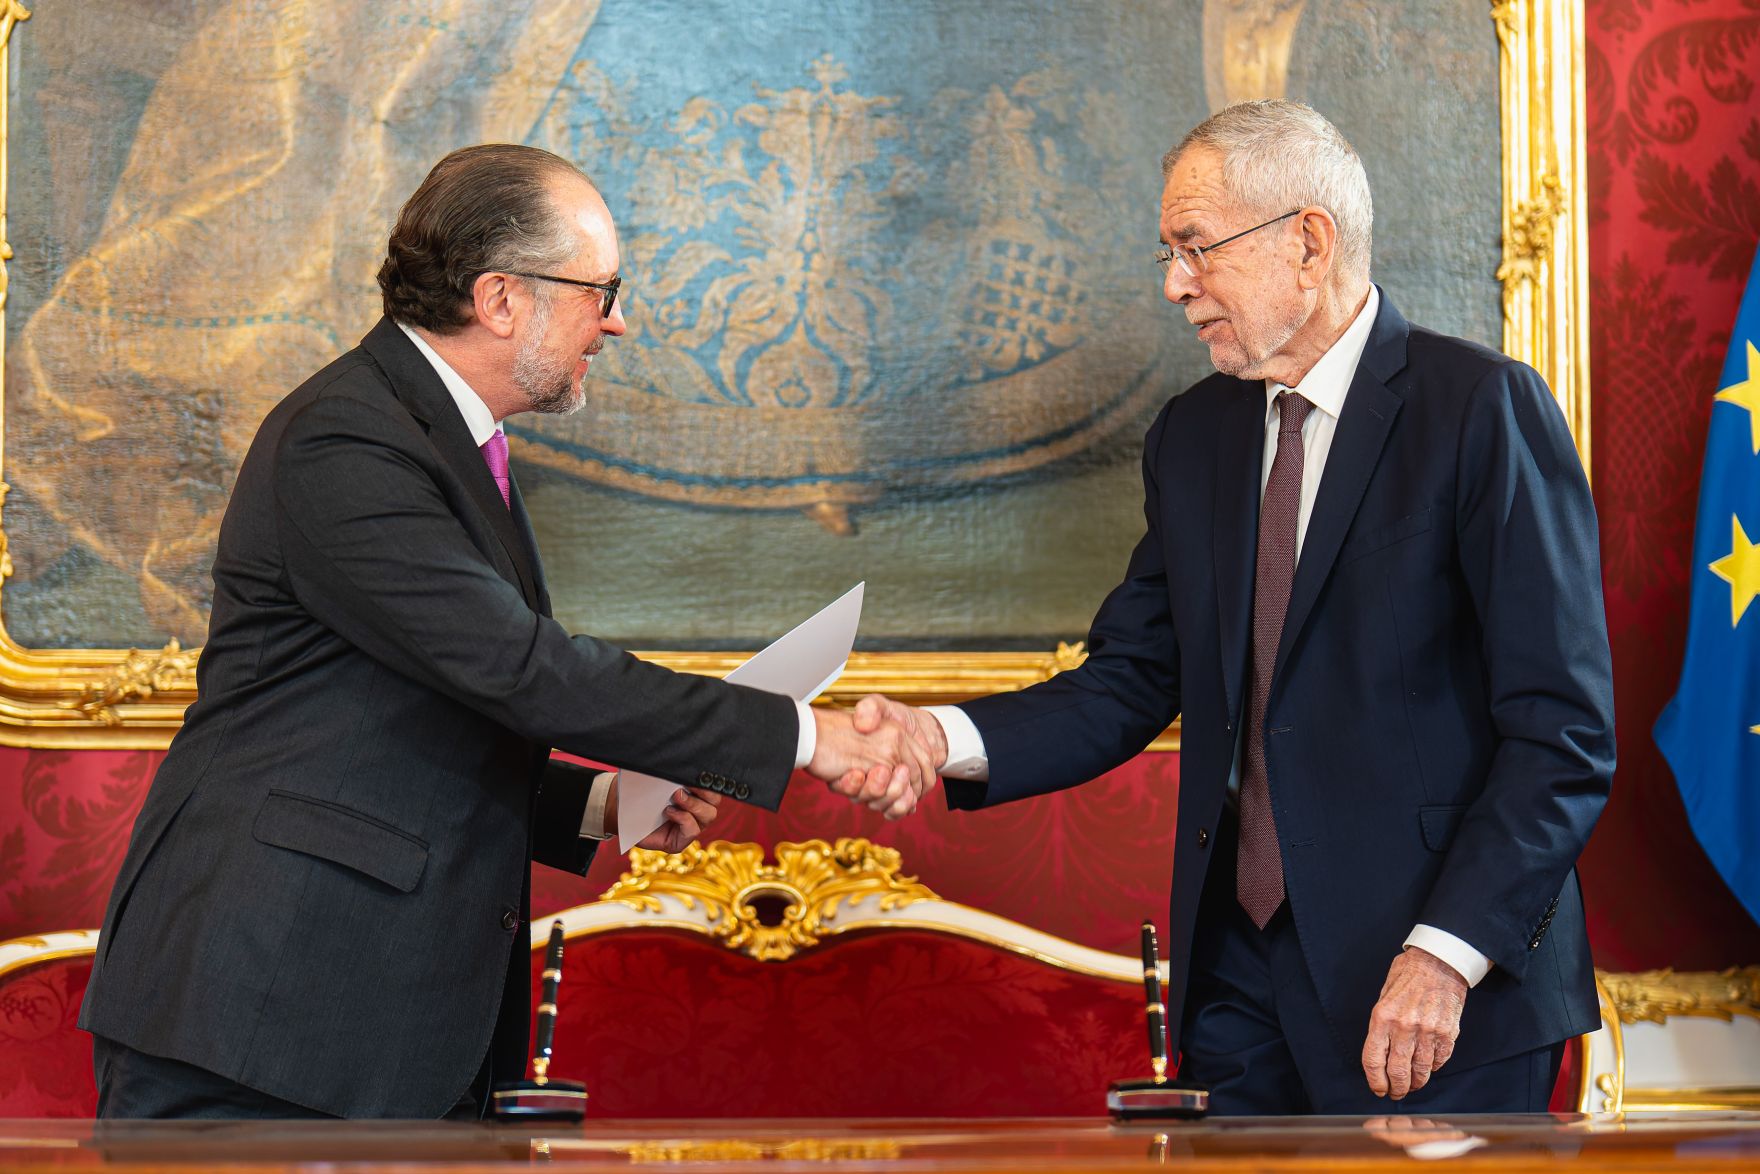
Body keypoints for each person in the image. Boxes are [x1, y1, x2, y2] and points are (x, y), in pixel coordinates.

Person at [78, 144, 936, 1120]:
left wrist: (604, 807)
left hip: (363, 1027)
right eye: (599, 290)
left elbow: (408, 725)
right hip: (267, 1016)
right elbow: (520, 668)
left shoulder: (445, 437)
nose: (616, 319)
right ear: (499, 299)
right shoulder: (347, 438)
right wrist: (807, 735)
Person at [856, 99, 1614, 1115]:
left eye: (1195, 248)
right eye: (1169, 253)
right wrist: (932, 735)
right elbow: (1129, 678)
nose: (1174, 285)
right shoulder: (1192, 437)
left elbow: (1560, 732)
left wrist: (1445, 954)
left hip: (1438, 988)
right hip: (1236, 979)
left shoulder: (1478, 408)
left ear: (1307, 241)